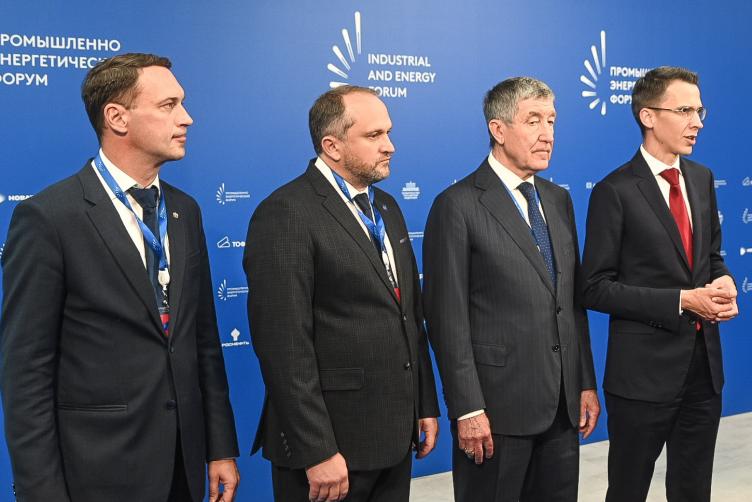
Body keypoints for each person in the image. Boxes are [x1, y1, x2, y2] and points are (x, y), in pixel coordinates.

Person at [0, 53, 240, 502]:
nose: (187, 118)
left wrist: (220, 448)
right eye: (168, 105)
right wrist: (40, 492)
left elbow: (203, 341)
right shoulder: (50, 217)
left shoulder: (185, 211)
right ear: (117, 118)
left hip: (184, 467)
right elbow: (26, 372)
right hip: (99, 472)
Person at [244, 85, 439, 502]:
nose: (390, 145)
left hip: (394, 437)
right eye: (374, 135)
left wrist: (424, 404)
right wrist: (317, 449)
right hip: (331, 450)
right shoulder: (286, 212)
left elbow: (408, 315)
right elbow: (284, 347)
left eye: (388, 132)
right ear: (332, 146)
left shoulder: (386, 206)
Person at [423, 77, 599, 502]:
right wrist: (467, 407)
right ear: (498, 130)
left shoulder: (557, 199)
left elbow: (569, 304)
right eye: (533, 120)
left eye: (552, 121)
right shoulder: (457, 205)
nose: (547, 134)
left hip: (561, 408)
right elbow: (447, 320)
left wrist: (584, 382)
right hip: (495, 413)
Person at [581, 66, 738, 502]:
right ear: (648, 116)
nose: (697, 122)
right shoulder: (614, 191)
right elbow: (595, 286)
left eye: (700, 111)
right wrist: (681, 301)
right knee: (628, 491)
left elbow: (711, 257)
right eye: (685, 111)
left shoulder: (702, 179)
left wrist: (724, 281)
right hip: (642, 378)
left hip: (703, 371)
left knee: (693, 490)